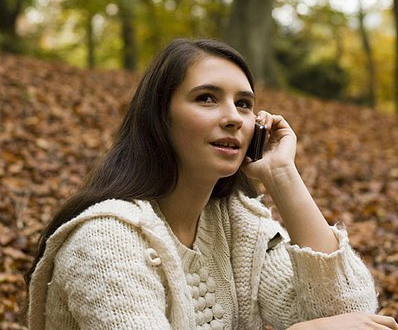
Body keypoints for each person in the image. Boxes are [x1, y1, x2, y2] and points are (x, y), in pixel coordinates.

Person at [24, 38, 396, 330]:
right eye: (207, 98)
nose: (233, 117)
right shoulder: (105, 240)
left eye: (245, 104)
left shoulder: (236, 225)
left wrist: (283, 175)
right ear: (160, 118)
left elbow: (351, 315)